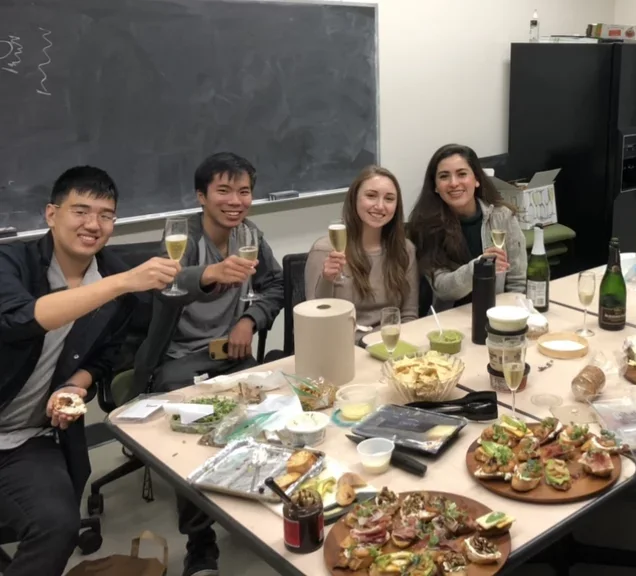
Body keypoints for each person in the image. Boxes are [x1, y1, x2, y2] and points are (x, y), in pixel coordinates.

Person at [0, 167, 180, 576]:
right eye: (81, 211)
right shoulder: (12, 262)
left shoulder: (114, 276)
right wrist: (120, 283)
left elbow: (104, 359)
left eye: (106, 215)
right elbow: (19, 319)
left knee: (58, 526)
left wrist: (73, 387)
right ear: (51, 214)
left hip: (31, 438)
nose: (93, 225)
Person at [136, 152, 283, 576]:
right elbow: (167, 285)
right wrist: (209, 274)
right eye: (223, 190)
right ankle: (201, 543)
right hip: (179, 360)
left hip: (233, 355)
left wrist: (249, 321)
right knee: (192, 440)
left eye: (244, 191)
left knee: (272, 412)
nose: (235, 200)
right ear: (201, 196)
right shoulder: (179, 238)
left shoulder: (250, 234)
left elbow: (273, 284)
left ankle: (248, 499)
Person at [305, 166, 418, 339]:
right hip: (341, 346)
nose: (380, 206)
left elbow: (409, 315)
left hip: (388, 346)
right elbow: (315, 318)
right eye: (371, 196)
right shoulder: (325, 250)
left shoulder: (405, 249)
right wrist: (327, 279)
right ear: (354, 199)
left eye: (389, 199)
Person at [407, 144, 526, 310]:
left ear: (477, 179)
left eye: (462, 174)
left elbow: (517, 282)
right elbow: (442, 289)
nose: (454, 183)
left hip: (498, 313)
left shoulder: (503, 216)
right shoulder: (425, 227)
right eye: (444, 176)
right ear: (435, 186)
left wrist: (510, 317)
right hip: (448, 321)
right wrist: (478, 267)